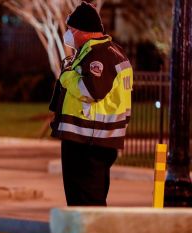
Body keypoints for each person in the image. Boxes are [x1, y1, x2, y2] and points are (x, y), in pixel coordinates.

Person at [49, 1, 133, 206]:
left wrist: (67, 77)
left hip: (87, 141)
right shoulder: (110, 51)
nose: (68, 34)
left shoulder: (99, 55)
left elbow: (91, 90)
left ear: (83, 31)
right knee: (92, 202)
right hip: (96, 140)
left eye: (71, 29)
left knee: (84, 204)